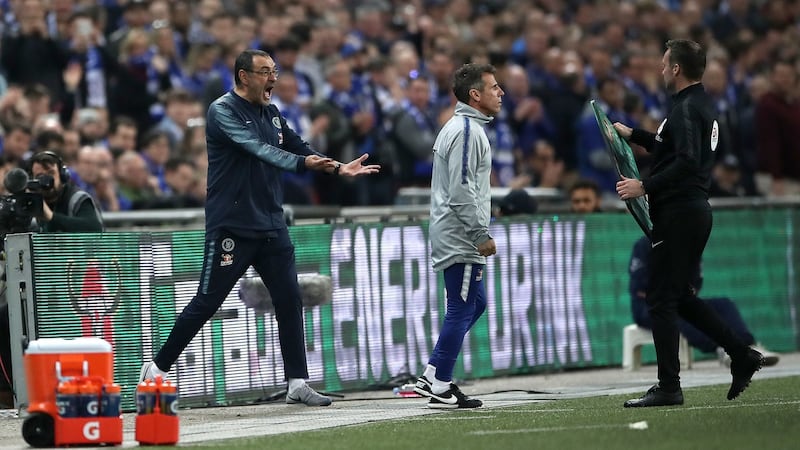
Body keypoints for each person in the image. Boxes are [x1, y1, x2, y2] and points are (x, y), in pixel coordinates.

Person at [138, 49, 380, 407]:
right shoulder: (222, 111)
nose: (273, 78)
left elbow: (295, 144)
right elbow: (257, 149)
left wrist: (336, 167)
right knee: (208, 301)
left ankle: (297, 383)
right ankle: (156, 369)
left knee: (289, 297)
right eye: (265, 71)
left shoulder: (272, 112)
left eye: (275, 71)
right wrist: (303, 163)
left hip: (270, 222)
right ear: (243, 76)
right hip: (232, 226)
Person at [614, 39, 765, 408]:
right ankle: (740, 354)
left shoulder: (684, 108)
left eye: (666, 65)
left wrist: (644, 185)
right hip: (694, 211)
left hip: (680, 212)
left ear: (677, 69)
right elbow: (672, 148)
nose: (663, 70)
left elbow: (687, 161)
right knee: (678, 295)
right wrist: (634, 135)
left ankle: (669, 385)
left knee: (661, 299)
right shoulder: (699, 105)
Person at [412, 63, 503, 409]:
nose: (501, 93)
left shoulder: (462, 127)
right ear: (475, 95)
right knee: (462, 307)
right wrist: (479, 232)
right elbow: (461, 188)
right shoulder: (466, 130)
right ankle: (436, 379)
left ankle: (437, 372)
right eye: (494, 87)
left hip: (454, 229)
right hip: (460, 233)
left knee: (474, 303)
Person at [0, 149, 103, 406]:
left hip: (76, 287)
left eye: (49, 174)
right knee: (5, 317)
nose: (44, 181)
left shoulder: (78, 199)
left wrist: (49, 216)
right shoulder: (26, 204)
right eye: (37, 176)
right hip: (38, 286)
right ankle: (13, 389)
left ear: (63, 174)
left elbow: (93, 229)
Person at [629, 236, 779, 366]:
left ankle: (748, 346)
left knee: (724, 304)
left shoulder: (689, 246)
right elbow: (640, 288)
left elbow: (695, 284)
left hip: (680, 300)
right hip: (648, 306)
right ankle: (723, 349)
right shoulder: (645, 244)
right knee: (676, 314)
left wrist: (683, 293)